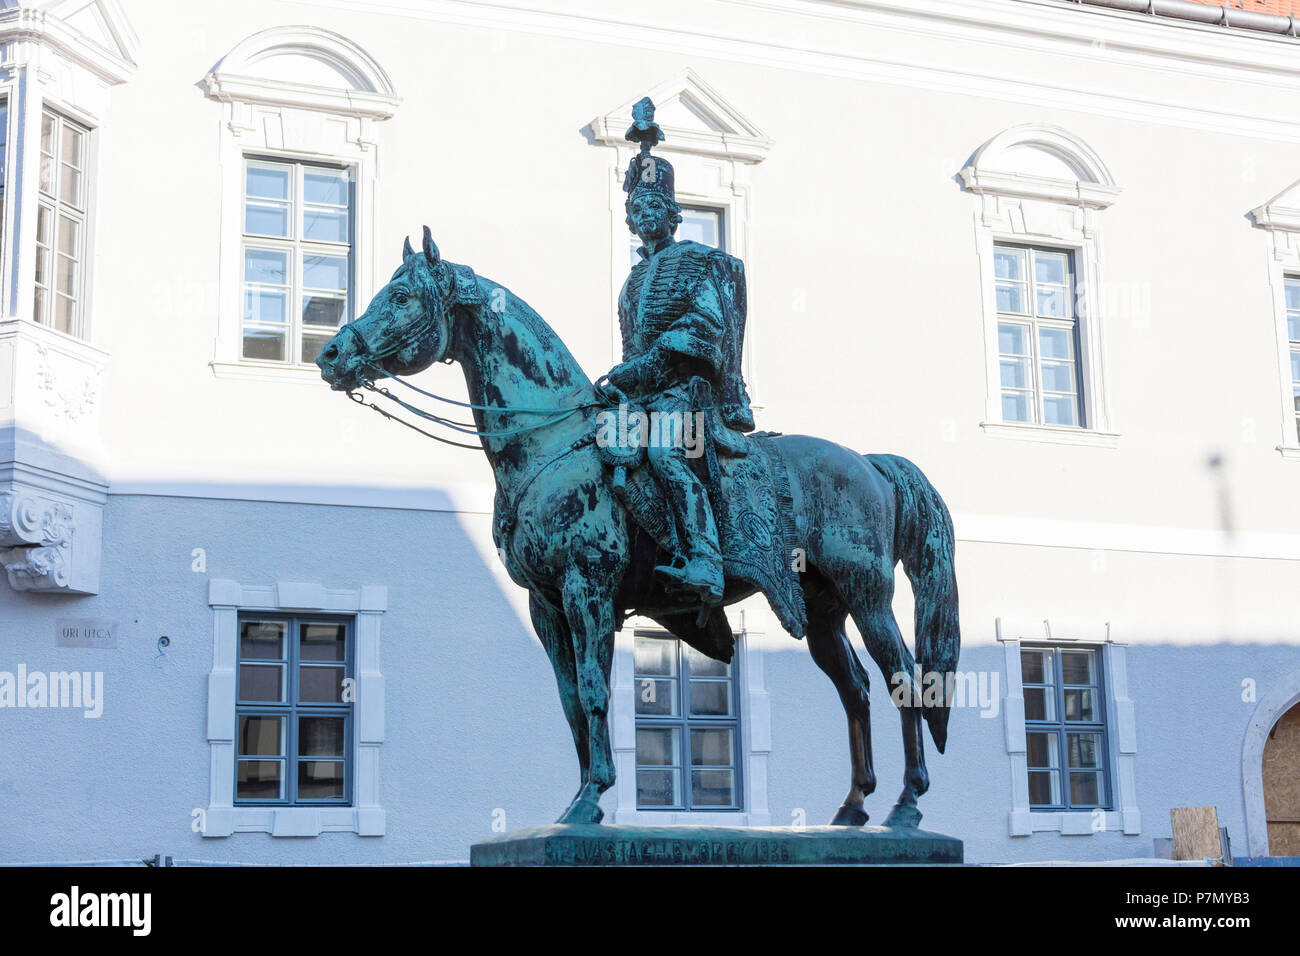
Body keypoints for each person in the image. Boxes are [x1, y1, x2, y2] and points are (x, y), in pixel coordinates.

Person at [604, 97, 754, 603]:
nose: (645, 216)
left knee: (666, 451)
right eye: (636, 209)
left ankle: (706, 557)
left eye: (653, 207)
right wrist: (619, 382)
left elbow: (704, 326)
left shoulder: (696, 262)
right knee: (601, 451)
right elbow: (631, 349)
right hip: (640, 397)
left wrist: (645, 367)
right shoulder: (631, 282)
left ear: (671, 212)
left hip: (684, 392)